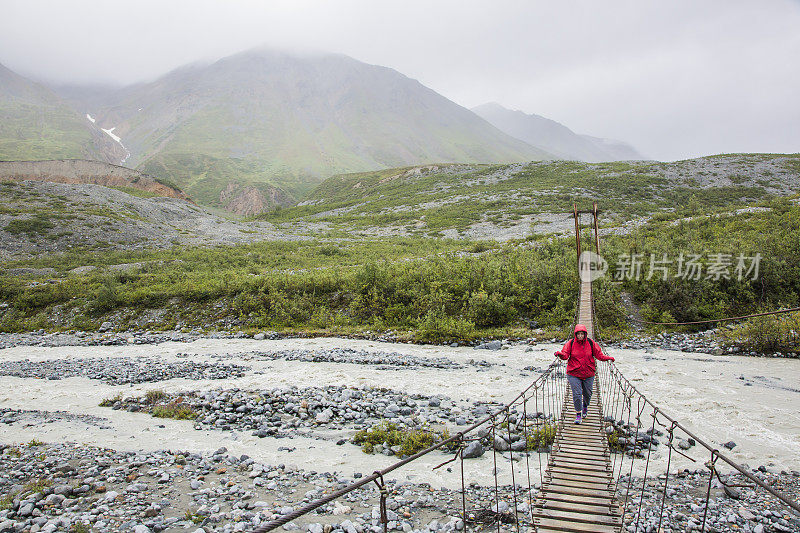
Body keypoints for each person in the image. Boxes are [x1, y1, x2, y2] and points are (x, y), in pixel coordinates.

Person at [555, 324, 614, 424]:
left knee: (588, 394)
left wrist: (608, 358)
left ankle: (585, 406)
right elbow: (565, 355)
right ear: (575, 334)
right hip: (574, 373)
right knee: (577, 394)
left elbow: (599, 355)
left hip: (588, 373)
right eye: (578, 334)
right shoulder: (571, 343)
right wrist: (560, 354)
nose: (580, 336)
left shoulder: (591, 343)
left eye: (582, 334)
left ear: (585, 334)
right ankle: (578, 415)